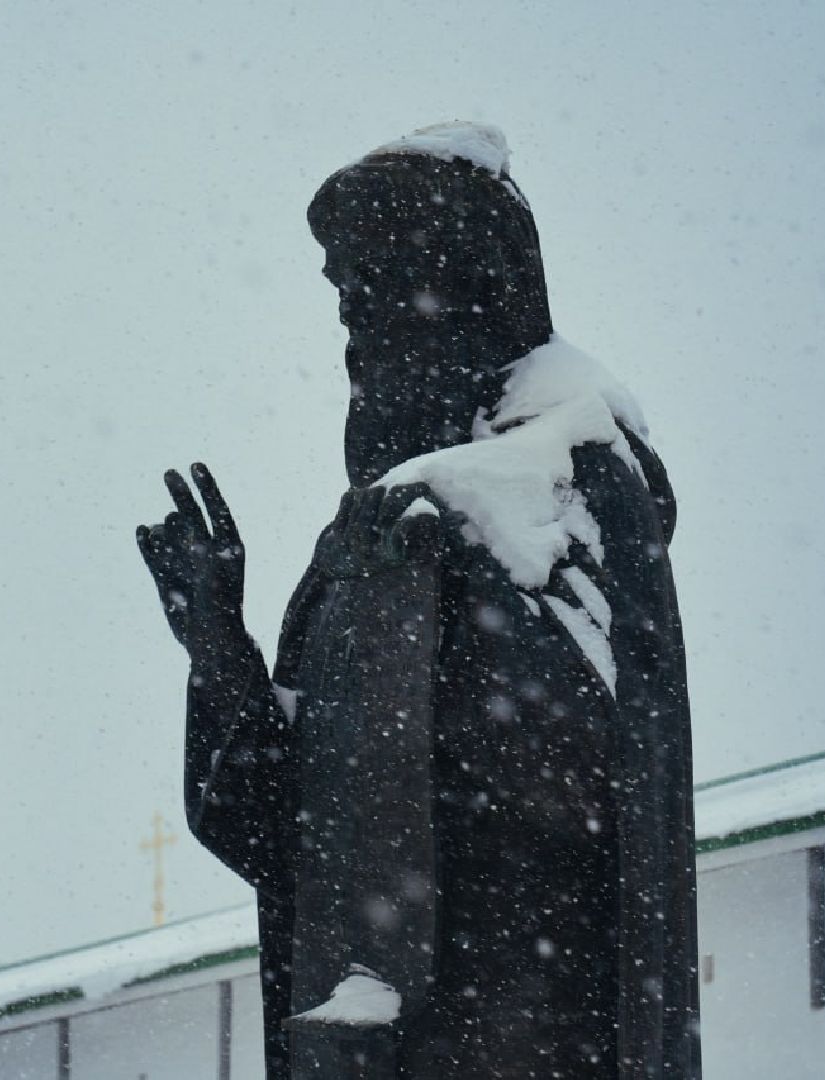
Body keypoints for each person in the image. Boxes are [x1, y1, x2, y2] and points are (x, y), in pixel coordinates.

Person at [136, 123, 700, 1079]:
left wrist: (418, 602)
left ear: (476, 286)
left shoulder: (570, 481)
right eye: (344, 296)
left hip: (523, 1029)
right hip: (371, 1045)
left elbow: (581, 771)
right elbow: (282, 836)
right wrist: (219, 644)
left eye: (380, 283)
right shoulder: (375, 538)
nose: (355, 322)